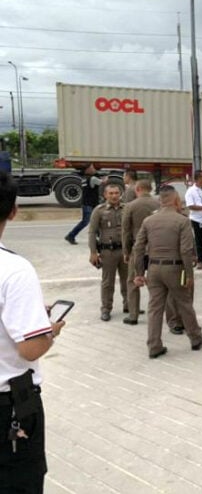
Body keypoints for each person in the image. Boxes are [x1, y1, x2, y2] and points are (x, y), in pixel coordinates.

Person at [1, 172, 66, 493]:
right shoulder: (14, 270)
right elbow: (29, 349)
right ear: (13, 211)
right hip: (9, 405)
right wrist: (48, 331)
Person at [133, 186, 202, 358]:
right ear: (176, 200)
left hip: (154, 268)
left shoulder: (149, 221)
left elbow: (138, 248)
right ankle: (195, 337)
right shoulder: (182, 221)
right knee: (184, 303)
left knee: (155, 308)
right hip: (175, 268)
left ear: (160, 201)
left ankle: (154, 345)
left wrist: (138, 273)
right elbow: (186, 250)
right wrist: (189, 274)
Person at [88, 183, 129, 321]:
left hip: (125, 251)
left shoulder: (127, 208)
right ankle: (106, 309)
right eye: (111, 193)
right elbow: (92, 232)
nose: (114, 196)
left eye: (116, 193)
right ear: (105, 195)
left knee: (127, 280)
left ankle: (129, 305)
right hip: (108, 252)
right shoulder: (99, 210)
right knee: (107, 283)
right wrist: (93, 252)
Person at [122, 179, 160, 324]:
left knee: (132, 282)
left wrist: (126, 251)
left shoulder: (130, 206)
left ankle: (133, 315)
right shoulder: (159, 204)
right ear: (150, 189)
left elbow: (126, 230)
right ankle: (157, 312)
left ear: (137, 189)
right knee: (155, 283)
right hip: (155, 250)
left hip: (137, 250)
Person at [65, 163, 102, 245]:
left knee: (96, 220)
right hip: (90, 204)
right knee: (86, 221)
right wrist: (105, 179)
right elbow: (103, 182)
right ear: (88, 170)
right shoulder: (92, 178)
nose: (94, 169)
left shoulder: (84, 178)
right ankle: (71, 235)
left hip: (87, 203)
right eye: (92, 167)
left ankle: (100, 237)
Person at [185, 170, 202, 269]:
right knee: (198, 241)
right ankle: (201, 261)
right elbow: (190, 206)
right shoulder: (190, 191)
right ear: (199, 178)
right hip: (197, 219)